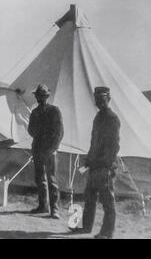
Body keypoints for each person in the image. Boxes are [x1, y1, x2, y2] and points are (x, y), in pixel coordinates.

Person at [71, 86, 120, 239]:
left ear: (108, 100)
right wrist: (89, 159)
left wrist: (105, 163)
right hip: (94, 164)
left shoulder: (112, 118)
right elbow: (94, 142)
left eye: (102, 100)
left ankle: (107, 232)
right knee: (89, 197)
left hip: (105, 166)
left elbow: (114, 145)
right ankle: (85, 227)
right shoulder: (98, 117)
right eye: (97, 100)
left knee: (107, 201)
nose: (99, 103)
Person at [28, 84, 64, 219]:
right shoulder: (35, 112)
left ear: (47, 96)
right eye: (38, 95)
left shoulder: (54, 111)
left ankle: (55, 209)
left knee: (52, 179)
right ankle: (43, 206)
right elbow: (31, 130)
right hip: (38, 148)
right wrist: (39, 136)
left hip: (50, 150)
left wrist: (53, 147)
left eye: (42, 95)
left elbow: (59, 132)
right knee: (40, 178)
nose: (39, 98)